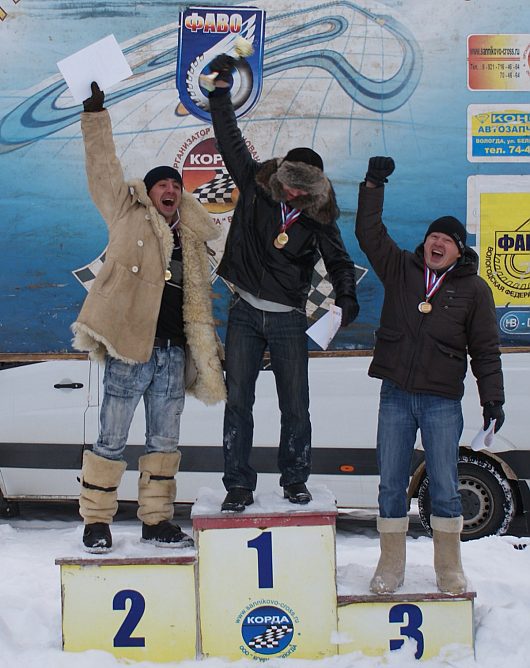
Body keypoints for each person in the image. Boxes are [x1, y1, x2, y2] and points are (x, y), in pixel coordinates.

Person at [72, 82, 226, 552]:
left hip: (172, 354)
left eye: (176, 185)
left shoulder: (195, 238)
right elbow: (103, 170)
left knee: (164, 441)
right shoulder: (125, 211)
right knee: (111, 437)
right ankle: (96, 521)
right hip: (130, 348)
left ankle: (156, 520)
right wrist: (96, 116)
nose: (170, 189)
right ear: (147, 190)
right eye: (162, 183)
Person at [207, 56, 359, 513]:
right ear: (280, 176)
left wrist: (347, 296)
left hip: (290, 319)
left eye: (302, 190)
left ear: (314, 190)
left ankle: (295, 479)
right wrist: (218, 92)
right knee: (239, 404)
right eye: (289, 185)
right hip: (245, 312)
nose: (293, 194)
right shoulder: (255, 186)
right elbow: (228, 137)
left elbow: (340, 260)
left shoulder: (318, 216)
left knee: (295, 406)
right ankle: (238, 485)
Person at [355, 156, 505, 595]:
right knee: (390, 482)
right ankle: (391, 563)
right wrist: (372, 185)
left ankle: (449, 567)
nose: (436, 243)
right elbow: (368, 234)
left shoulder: (474, 291)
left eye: (446, 239)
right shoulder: (401, 269)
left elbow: (486, 351)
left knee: (444, 483)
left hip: (441, 400)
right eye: (432, 237)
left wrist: (492, 400)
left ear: (459, 250)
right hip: (396, 395)